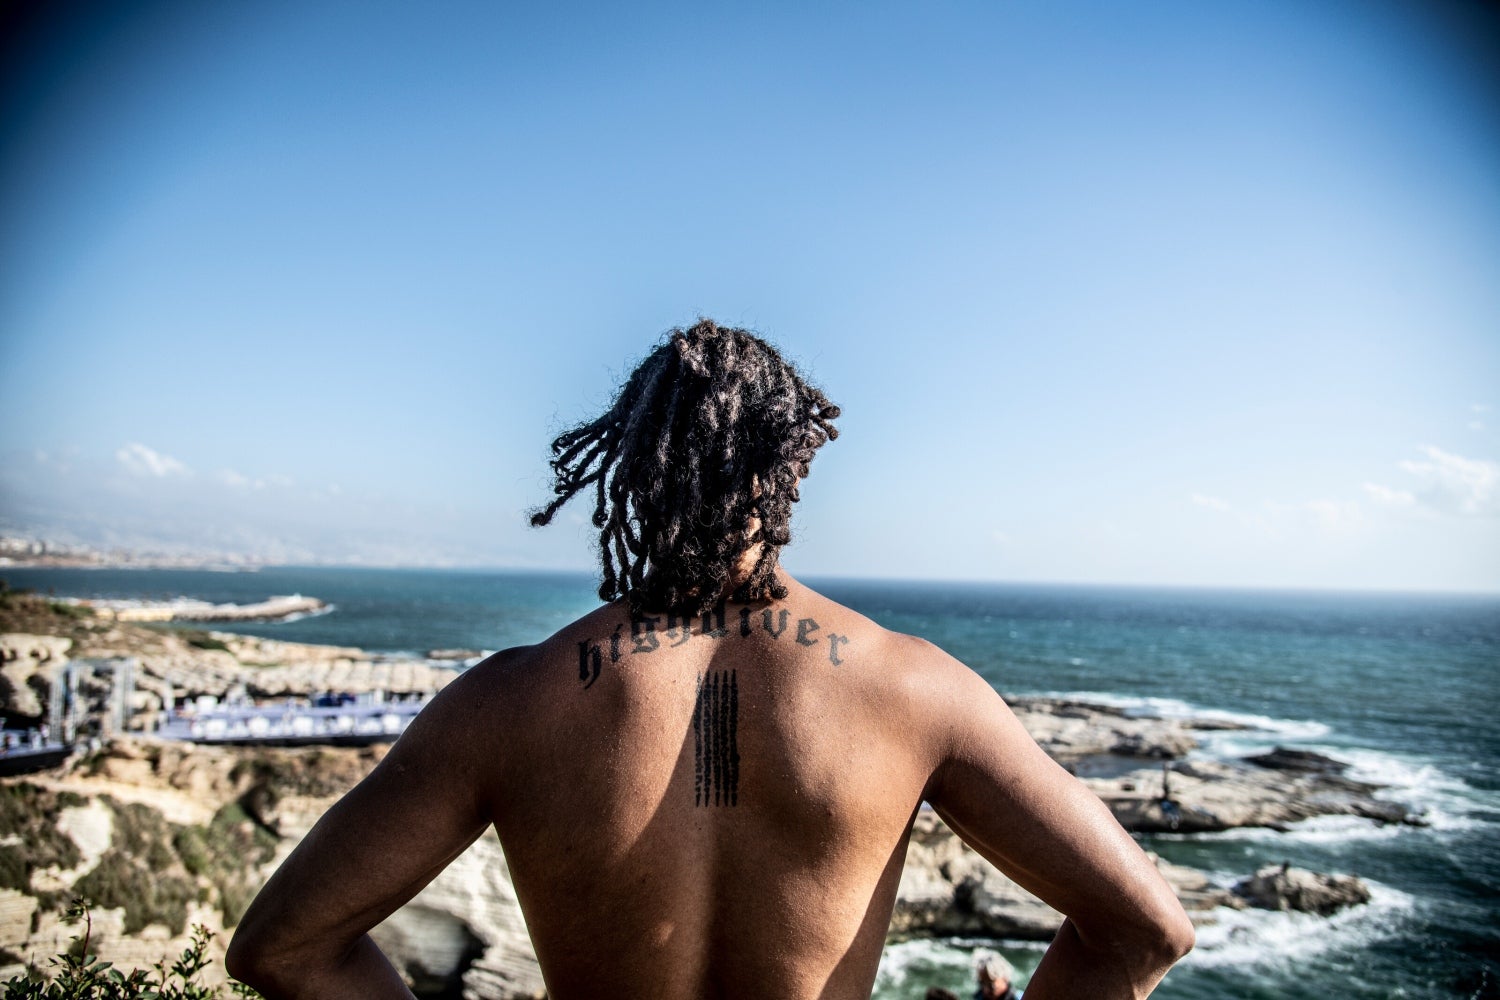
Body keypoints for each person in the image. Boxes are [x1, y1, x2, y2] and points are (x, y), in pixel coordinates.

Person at [227, 320, 1194, 999]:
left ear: (635, 465)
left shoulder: (509, 703)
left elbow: (285, 948)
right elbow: (1148, 929)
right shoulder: (917, 690)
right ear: (792, 466)